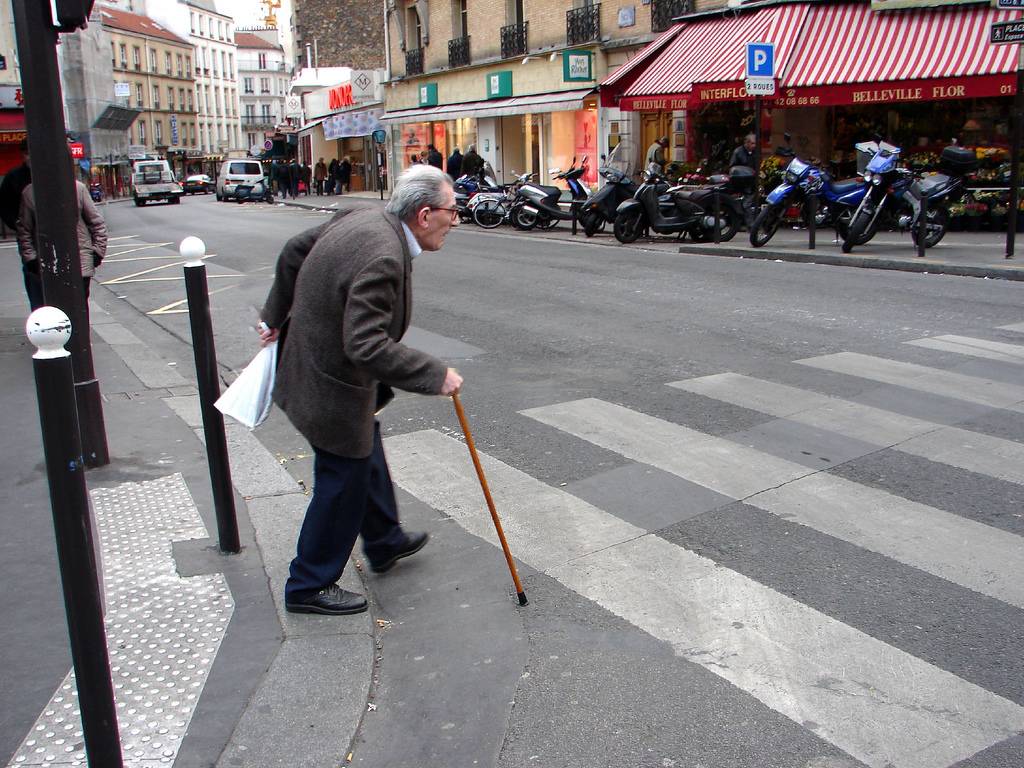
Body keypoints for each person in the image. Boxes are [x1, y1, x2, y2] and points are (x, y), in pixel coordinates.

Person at [259, 164, 463, 616]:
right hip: (328, 381)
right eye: (453, 211)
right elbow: (366, 344)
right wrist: (434, 374)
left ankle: (384, 539)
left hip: (316, 364)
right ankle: (309, 584)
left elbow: (296, 249)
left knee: (363, 446)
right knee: (342, 479)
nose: (457, 220)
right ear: (425, 214)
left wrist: (274, 317)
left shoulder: (365, 216)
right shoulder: (384, 255)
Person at [18, 176, 107, 308]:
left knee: (78, 311)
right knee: (51, 311)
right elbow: (24, 230)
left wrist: (98, 252)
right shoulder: (30, 192)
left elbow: (97, 223)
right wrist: (31, 259)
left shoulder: (78, 189)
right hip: (45, 265)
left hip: (79, 263)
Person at [0, 140, 34, 306]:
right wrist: (17, 224)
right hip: (27, 233)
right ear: (23, 154)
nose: (30, 157)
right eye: (27, 153)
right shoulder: (14, 177)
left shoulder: (51, 172)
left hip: (51, 231)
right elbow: (4, 205)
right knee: (31, 272)